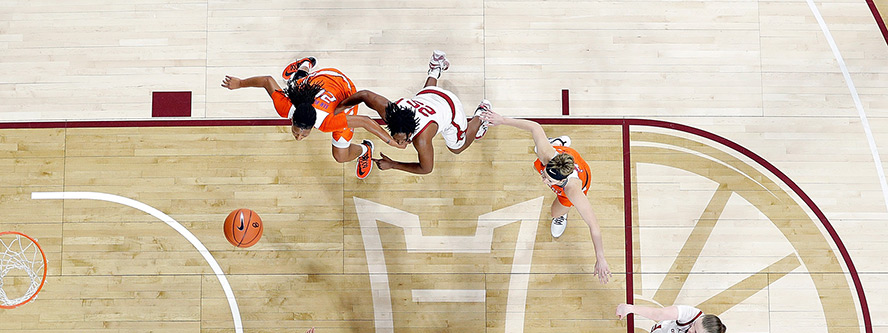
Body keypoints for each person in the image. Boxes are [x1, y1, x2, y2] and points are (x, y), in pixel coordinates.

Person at [481, 110, 611, 284]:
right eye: (546, 175)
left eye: (548, 179)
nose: (544, 180)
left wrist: (600, 257)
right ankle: (557, 144)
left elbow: (594, 227)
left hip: (577, 177)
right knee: (539, 155)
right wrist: (502, 120)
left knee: (555, 213)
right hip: (560, 154)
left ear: (562, 179)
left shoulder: (573, 192)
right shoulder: (547, 157)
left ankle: (562, 215)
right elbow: (535, 127)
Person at [222, 57, 402, 178]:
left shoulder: (328, 122)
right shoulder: (286, 107)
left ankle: (365, 149)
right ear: (292, 119)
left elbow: (365, 121)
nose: (299, 137)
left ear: (312, 127)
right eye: (297, 133)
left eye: (303, 134)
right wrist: (240, 83)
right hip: (319, 81)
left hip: (342, 88)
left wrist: (391, 142)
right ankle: (306, 64)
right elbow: (266, 80)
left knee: (340, 156)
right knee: (294, 87)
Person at [332, 50, 489, 175]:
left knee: (456, 147)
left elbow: (426, 169)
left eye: (402, 140)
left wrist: (393, 164)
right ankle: (435, 68)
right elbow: (364, 95)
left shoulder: (421, 139)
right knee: (423, 95)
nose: (400, 143)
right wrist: (339, 109)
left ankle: (481, 114)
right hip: (428, 97)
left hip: (450, 107)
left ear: (412, 131)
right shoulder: (391, 113)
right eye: (398, 140)